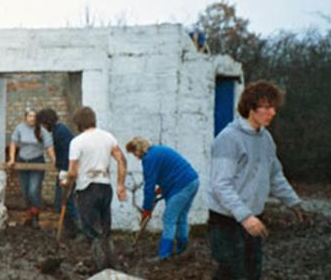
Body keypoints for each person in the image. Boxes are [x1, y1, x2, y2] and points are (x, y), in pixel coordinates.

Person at [208, 81, 306, 279]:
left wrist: (294, 203)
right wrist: (245, 216)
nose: (273, 113)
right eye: (267, 107)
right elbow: (221, 185)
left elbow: (275, 175)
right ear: (251, 107)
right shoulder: (228, 139)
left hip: (253, 219)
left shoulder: (265, 139)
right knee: (233, 275)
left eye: (274, 108)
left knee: (253, 273)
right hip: (226, 222)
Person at [65, 106, 127, 271]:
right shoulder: (108, 137)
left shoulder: (77, 142)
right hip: (105, 186)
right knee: (105, 229)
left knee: (92, 231)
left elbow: (72, 172)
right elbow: (122, 160)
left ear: (78, 123)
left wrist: (66, 182)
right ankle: (111, 264)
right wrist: (120, 184)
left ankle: (99, 267)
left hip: (86, 188)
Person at [125, 136, 199, 260]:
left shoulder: (149, 159)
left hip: (182, 185)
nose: (135, 156)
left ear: (139, 149)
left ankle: (164, 255)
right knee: (181, 217)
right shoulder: (157, 151)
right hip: (192, 181)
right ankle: (182, 249)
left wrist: (147, 209)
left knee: (168, 218)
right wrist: (162, 189)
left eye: (134, 153)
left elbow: (149, 185)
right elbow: (170, 171)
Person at [7, 109, 56, 229]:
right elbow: (13, 143)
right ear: (25, 117)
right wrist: (12, 159)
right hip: (22, 162)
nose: (32, 118)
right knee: (25, 192)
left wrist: (55, 160)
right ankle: (29, 215)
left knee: (33, 190)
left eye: (34, 116)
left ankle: (35, 217)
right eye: (29, 116)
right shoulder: (20, 128)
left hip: (37, 162)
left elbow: (49, 146)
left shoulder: (42, 130)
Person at [36, 108, 80, 238]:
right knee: (61, 202)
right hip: (64, 168)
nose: (42, 127)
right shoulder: (58, 130)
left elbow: (68, 153)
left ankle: (77, 230)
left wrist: (65, 172)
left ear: (46, 122)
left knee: (67, 201)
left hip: (67, 170)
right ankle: (70, 229)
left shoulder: (60, 132)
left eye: (42, 124)